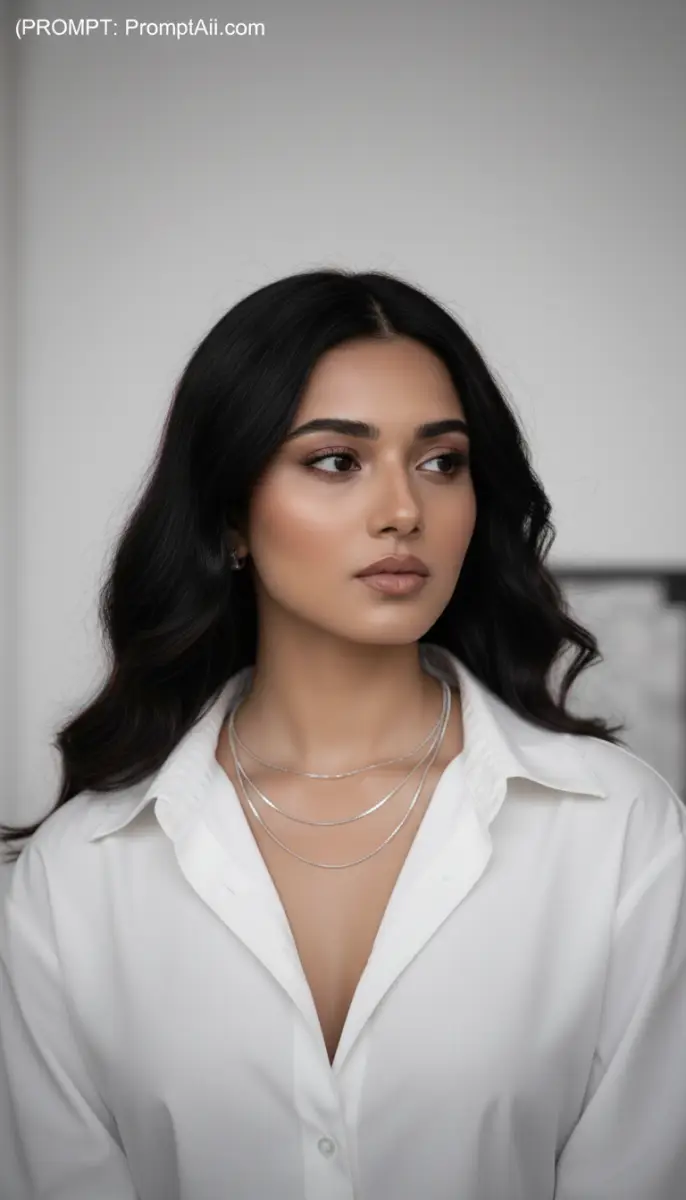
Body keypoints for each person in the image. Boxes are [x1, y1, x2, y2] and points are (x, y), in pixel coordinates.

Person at [0, 268, 684, 1200]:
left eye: (441, 462)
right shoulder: (80, 875)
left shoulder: (619, 831)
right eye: (336, 460)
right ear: (233, 515)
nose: (404, 510)